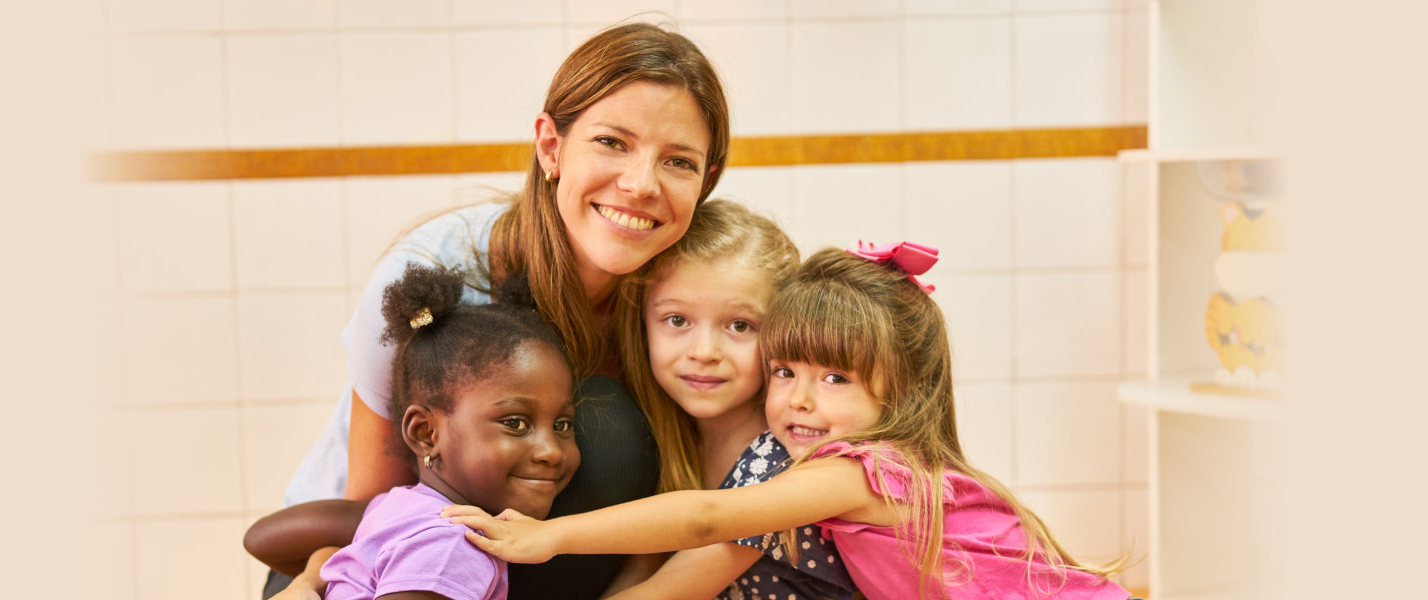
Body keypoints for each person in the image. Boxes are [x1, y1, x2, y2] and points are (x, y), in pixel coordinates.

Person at [246, 21, 731, 600]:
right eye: (612, 142)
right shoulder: (434, 273)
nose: (641, 183)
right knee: (611, 429)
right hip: (361, 561)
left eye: (678, 161)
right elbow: (374, 512)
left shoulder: (686, 292)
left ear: (706, 180)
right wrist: (307, 580)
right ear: (551, 146)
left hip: (513, 562)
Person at [445, 244, 1137, 600]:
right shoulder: (835, 464)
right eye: (785, 372)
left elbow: (710, 519)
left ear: (900, 392)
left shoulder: (864, 472)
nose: (800, 399)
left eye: (835, 378)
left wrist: (551, 537)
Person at [607, 199, 854, 599]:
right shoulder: (667, 438)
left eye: (740, 325)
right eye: (677, 320)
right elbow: (643, 564)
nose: (704, 351)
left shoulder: (781, 460)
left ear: (782, 335)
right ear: (642, 324)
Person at [313, 265, 578, 600]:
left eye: (562, 425)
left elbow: (263, 538)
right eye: (515, 423)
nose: (551, 451)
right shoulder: (454, 544)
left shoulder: (396, 507)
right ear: (426, 434)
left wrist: (308, 582)